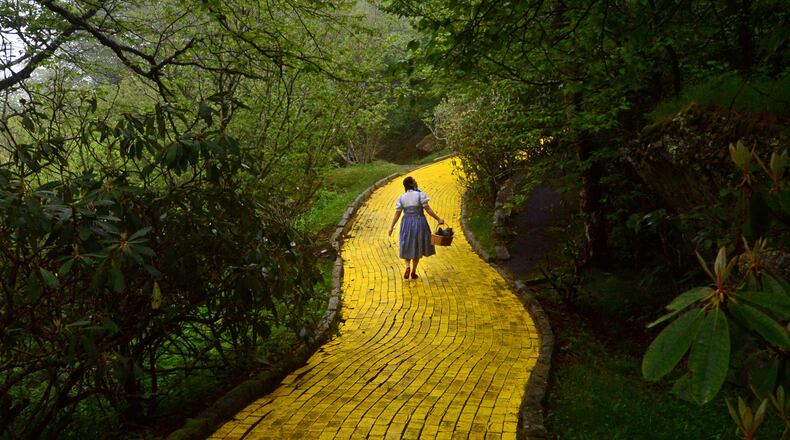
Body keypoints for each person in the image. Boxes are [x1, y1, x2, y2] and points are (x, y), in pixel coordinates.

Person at [387, 176, 444, 279]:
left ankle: (407, 267)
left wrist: (391, 227)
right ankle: (413, 272)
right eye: (414, 181)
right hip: (419, 222)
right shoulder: (420, 195)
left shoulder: (402, 198)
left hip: (407, 224)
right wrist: (438, 219)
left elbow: (397, 214)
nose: (416, 181)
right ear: (412, 184)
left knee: (407, 244)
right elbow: (428, 209)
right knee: (417, 245)